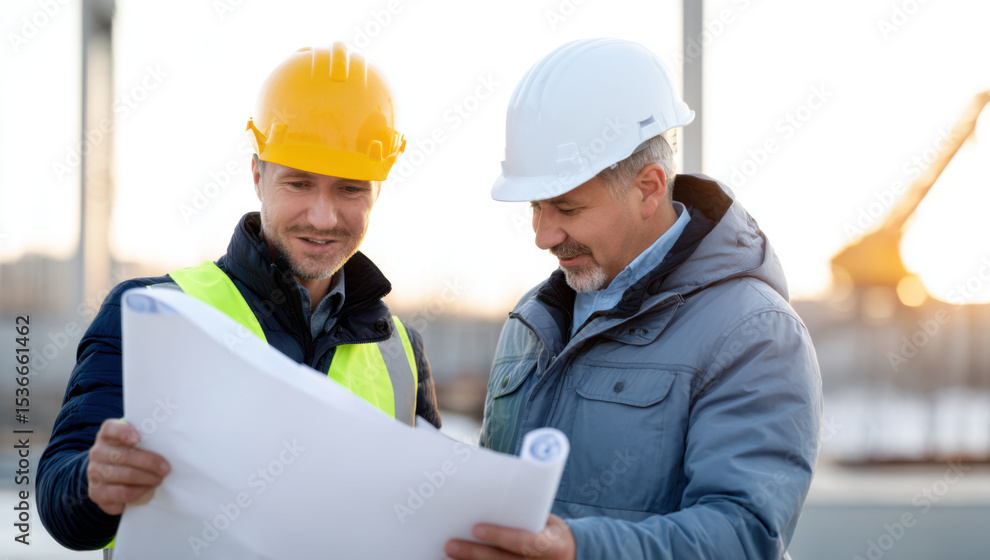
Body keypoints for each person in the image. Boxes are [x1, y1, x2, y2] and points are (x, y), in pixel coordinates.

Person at [38, 43, 441, 552]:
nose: (323, 216)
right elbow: (60, 505)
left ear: (377, 191)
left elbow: (426, 516)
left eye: (350, 189)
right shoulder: (151, 312)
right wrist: (93, 483)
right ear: (257, 175)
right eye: (299, 182)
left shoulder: (401, 352)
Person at [445, 39, 822, 560]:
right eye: (535, 207)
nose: (542, 235)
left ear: (648, 188)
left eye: (566, 208)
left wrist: (578, 549)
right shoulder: (532, 321)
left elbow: (742, 537)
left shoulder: (753, 332)